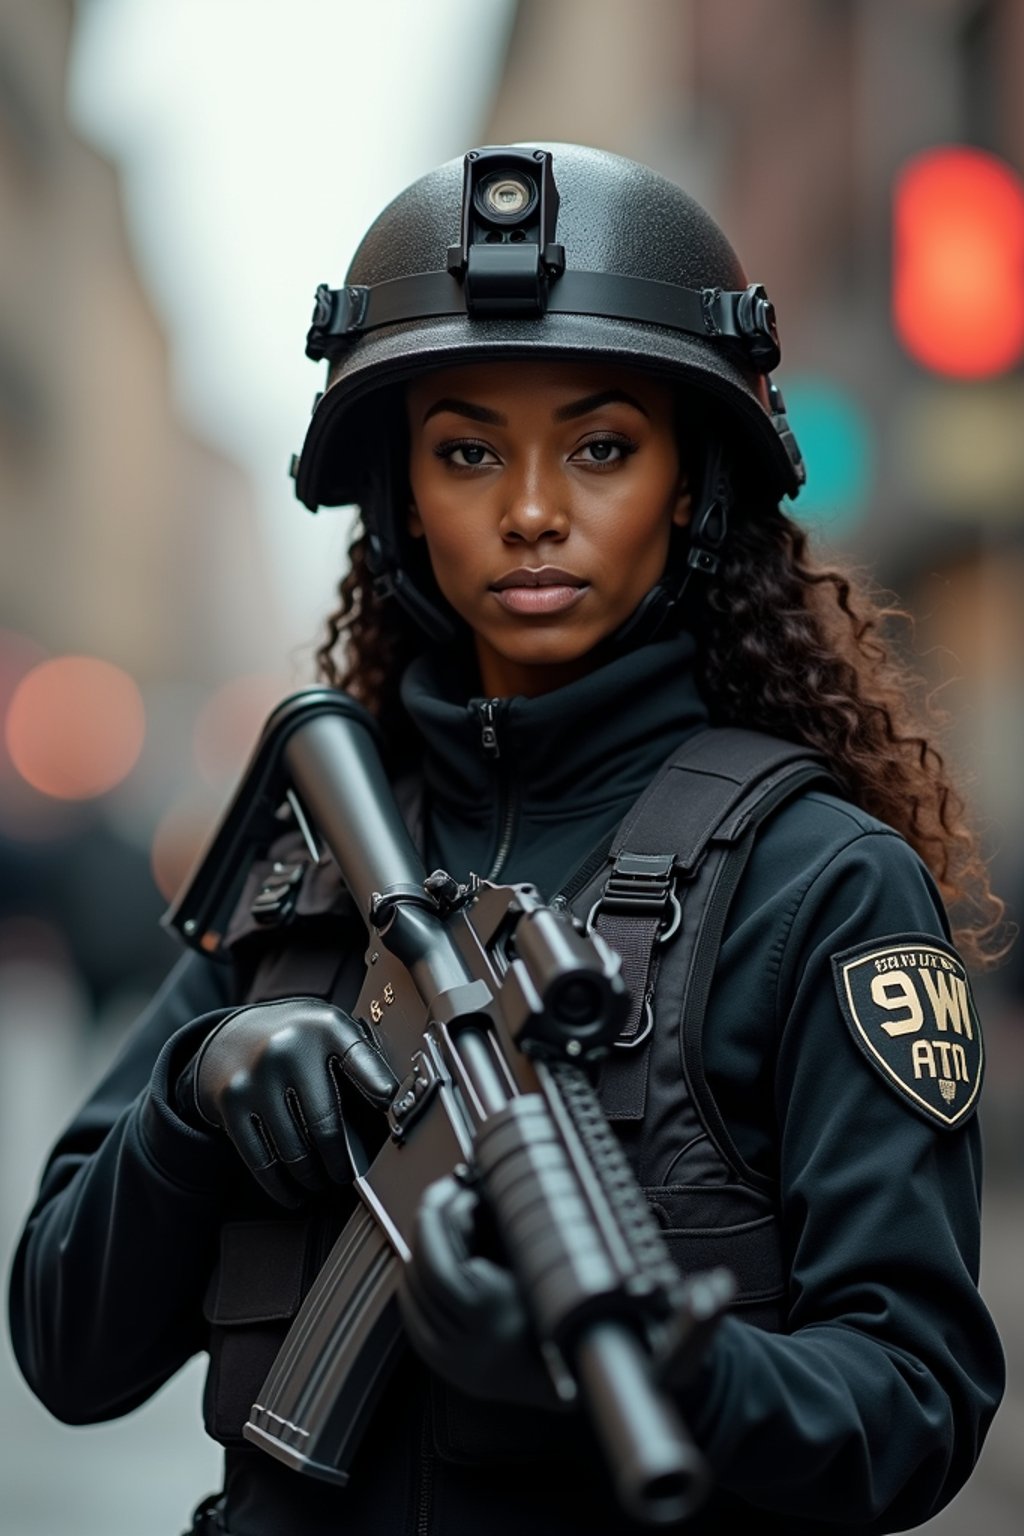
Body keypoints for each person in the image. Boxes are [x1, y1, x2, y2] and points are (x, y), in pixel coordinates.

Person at [8, 143, 1007, 1536]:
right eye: (468, 450)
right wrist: (193, 1096)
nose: (532, 509)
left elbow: (918, 1399)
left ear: (690, 485)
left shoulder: (818, 885)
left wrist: (679, 1372)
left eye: (601, 446)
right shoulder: (311, 865)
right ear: (406, 498)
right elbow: (63, 1350)